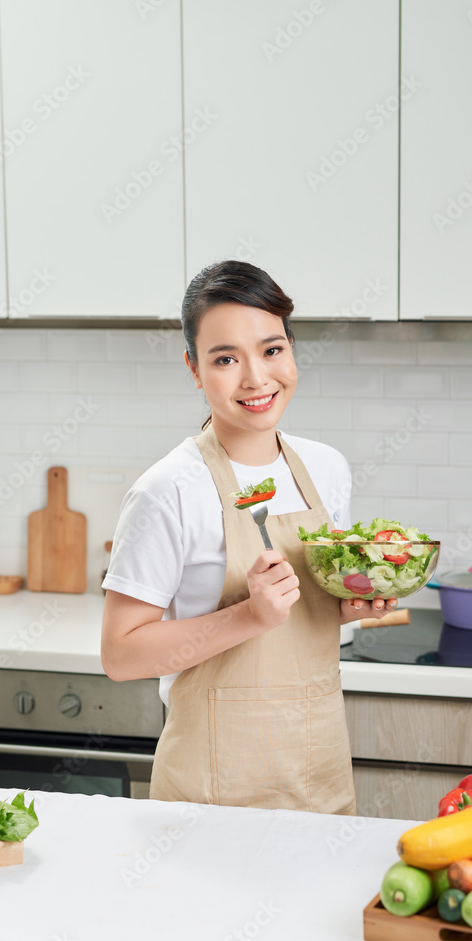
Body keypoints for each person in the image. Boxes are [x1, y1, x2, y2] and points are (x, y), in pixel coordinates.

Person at [101, 260, 397, 815]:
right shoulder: (167, 489)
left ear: (291, 351)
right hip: (209, 795)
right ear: (194, 369)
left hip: (317, 776)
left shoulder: (326, 468)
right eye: (225, 359)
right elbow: (120, 655)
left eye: (272, 350)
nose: (257, 378)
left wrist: (352, 601)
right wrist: (248, 616)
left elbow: (305, 618)